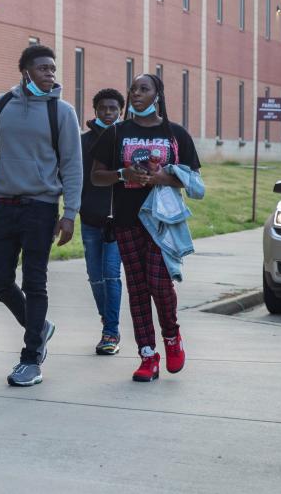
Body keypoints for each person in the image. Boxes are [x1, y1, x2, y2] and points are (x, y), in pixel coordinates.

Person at [0, 44, 83, 387]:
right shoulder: (2, 105)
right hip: (5, 205)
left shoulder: (63, 112)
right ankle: (38, 325)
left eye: (53, 69)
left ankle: (31, 359)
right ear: (25, 71)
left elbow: (73, 166)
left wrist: (70, 213)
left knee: (35, 281)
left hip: (41, 209)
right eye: (43, 68)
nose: (50, 74)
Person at [89, 73, 200, 382]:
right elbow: (97, 176)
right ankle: (147, 355)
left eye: (143, 89)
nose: (136, 94)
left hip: (162, 223)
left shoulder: (175, 134)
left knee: (160, 284)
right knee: (137, 289)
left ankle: (172, 337)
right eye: (133, 89)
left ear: (157, 95)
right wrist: (123, 174)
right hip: (126, 220)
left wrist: (163, 177)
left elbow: (193, 179)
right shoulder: (116, 133)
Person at [79, 88, 125, 356]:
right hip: (90, 218)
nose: (108, 113)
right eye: (103, 108)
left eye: (113, 109)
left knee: (110, 273)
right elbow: (74, 178)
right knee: (95, 277)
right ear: (95, 110)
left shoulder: (127, 140)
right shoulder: (83, 142)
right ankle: (107, 320)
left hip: (119, 221)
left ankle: (111, 331)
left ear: (120, 111)